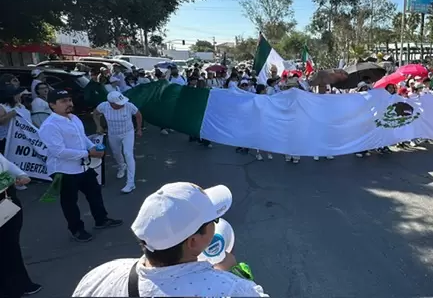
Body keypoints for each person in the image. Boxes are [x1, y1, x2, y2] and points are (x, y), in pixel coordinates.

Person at [72, 182, 268, 297]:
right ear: (193, 242)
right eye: (213, 220)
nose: (217, 223)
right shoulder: (231, 290)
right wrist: (232, 275)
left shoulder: (101, 275)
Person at [39, 89, 123, 242]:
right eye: (63, 101)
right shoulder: (49, 126)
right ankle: (76, 229)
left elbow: (82, 138)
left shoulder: (74, 118)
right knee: (70, 202)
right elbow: (59, 152)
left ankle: (101, 219)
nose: (69, 103)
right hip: (63, 170)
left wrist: (95, 148)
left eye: (69, 100)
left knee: (94, 192)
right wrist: (88, 153)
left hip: (82, 166)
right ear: (52, 105)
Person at [0, 153, 41, 297]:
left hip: (8, 200)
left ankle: (21, 283)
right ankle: (9, 288)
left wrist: (21, 174)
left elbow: (6, 163)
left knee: (11, 245)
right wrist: (10, 179)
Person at [93, 91, 142, 194]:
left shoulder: (129, 106)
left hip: (127, 133)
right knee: (116, 153)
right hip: (113, 133)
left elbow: (138, 115)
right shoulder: (103, 106)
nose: (122, 104)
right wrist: (98, 126)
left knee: (128, 154)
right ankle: (121, 166)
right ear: (111, 103)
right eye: (119, 103)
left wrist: (139, 129)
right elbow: (95, 114)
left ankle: (130, 183)